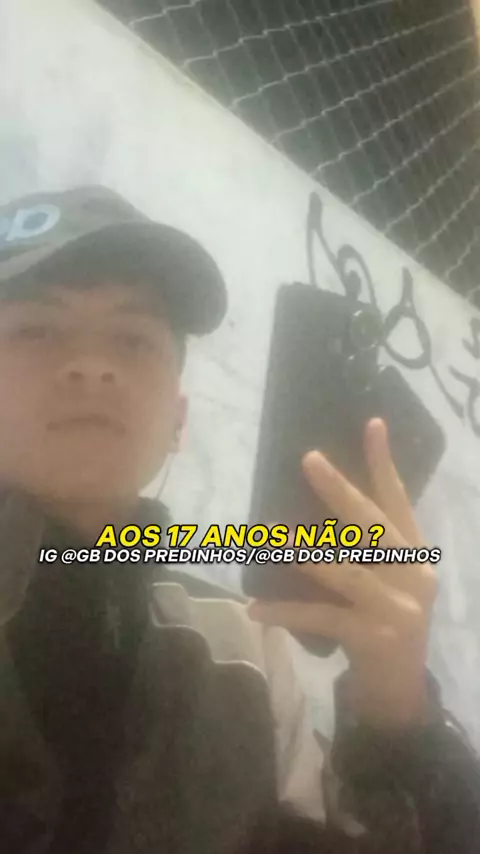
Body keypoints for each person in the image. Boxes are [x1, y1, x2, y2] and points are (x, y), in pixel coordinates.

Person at [0, 185, 478, 854]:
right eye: (36, 330)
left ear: (177, 420)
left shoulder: (245, 650)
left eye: (133, 341)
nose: (91, 367)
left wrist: (398, 721)